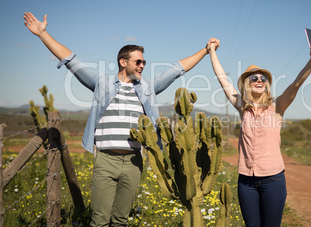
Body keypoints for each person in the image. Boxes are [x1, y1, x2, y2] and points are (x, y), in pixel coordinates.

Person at [23, 12, 218, 226]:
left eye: (144, 62)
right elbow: (71, 60)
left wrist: (206, 51)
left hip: (134, 161)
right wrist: (42, 34)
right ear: (123, 62)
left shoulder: (147, 88)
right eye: (139, 61)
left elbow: (178, 69)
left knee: (120, 220)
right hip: (106, 160)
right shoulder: (102, 84)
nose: (143, 65)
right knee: (99, 220)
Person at [207, 37, 311, 226]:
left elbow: (296, 84)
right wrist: (211, 51)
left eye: (263, 78)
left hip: (273, 180)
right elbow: (222, 80)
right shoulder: (242, 107)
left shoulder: (277, 107)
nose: (259, 80)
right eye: (254, 78)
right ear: (247, 83)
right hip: (246, 181)